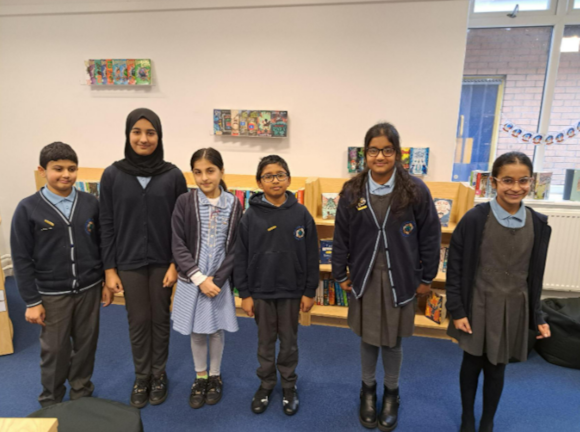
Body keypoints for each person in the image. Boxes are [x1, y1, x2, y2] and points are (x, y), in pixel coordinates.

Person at [332, 123, 441, 431]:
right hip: (365, 278)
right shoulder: (353, 191)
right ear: (365, 154)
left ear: (397, 153)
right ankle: (368, 389)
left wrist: (427, 276)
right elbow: (341, 237)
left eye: (387, 150)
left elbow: (430, 237)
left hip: (402, 279)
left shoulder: (416, 190)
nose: (380, 156)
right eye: (373, 150)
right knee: (368, 338)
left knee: (392, 342)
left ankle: (391, 392)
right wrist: (339, 272)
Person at [446, 152, 552, 432]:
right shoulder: (474, 219)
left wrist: (537, 315)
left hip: (514, 305)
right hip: (478, 302)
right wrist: (457, 310)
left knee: (497, 367)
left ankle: (487, 421)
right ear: (493, 182)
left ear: (531, 181)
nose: (515, 187)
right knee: (472, 363)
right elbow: (455, 268)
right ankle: (467, 417)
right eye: (507, 180)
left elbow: (535, 277)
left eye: (523, 180)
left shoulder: (538, 223)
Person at [11, 142, 111, 406]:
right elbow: (21, 259)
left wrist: (104, 282)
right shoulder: (28, 208)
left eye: (72, 168)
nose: (66, 175)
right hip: (52, 294)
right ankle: (51, 399)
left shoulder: (91, 203)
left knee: (86, 345)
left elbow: (101, 245)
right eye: (58, 169)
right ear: (42, 171)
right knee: (55, 349)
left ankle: (81, 393)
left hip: (89, 289)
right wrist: (32, 302)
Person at [100, 108, 188, 408]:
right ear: (128, 135)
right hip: (128, 261)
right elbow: (107, 223)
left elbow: (182, 225)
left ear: (159, 136)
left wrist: (177, 263)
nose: (143, 138)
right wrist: (109, 269)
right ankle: (142, 376)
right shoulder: (112, 175)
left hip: (164, 262)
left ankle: (158, 374)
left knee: (160, 318)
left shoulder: (172, 175)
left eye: (150, 132)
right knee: (138, 319)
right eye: (137, 131)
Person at [234, 155, 319, 416]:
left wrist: (309, 290)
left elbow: (311, 256)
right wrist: (245, 294)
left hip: (292, 292)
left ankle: (289, 386)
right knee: (265, 342)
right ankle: (267, 384)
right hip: (261, 292)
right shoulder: (250, 215)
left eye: (280, 174)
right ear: (259, 182)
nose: (275, 180)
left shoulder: (301, 213)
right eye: (268, 176)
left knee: (289, 342)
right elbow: (241, 257)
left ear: (289, 179)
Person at [171, 148, 243, 409]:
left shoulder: (234, 204)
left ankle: (215, 375)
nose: (204, 178)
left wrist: (218, 279)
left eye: (210, 171)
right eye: (198, 172)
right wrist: (200, 278)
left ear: (221, 171)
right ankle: (200, 376)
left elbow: (236, 247)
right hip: (193, 278)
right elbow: (177, 243)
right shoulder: (184, 202)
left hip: (219, 279)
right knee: (197, 330)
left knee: (215, 329)